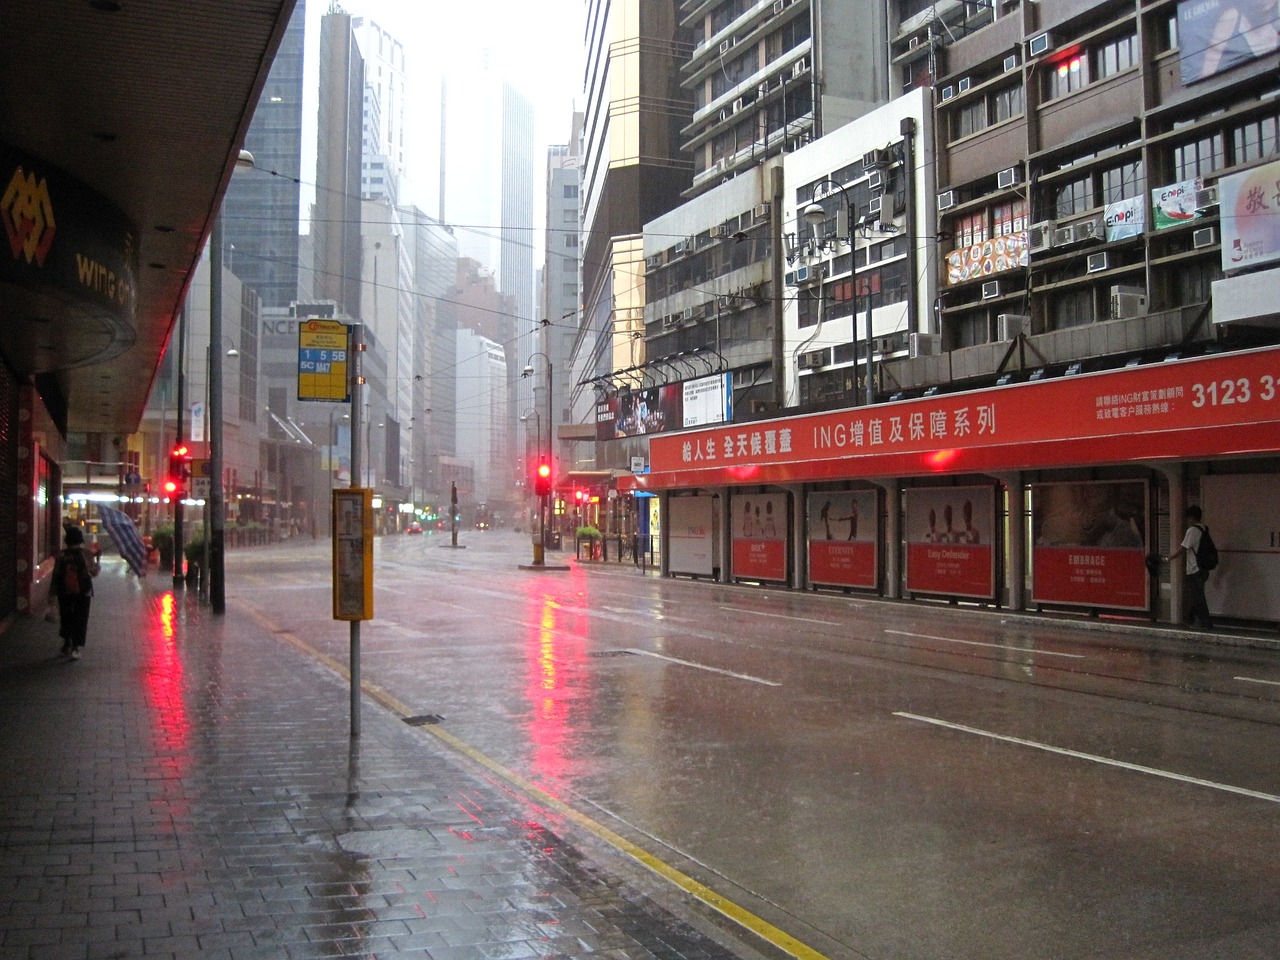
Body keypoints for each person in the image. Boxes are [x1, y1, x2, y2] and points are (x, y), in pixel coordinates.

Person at [52, 525, 100, 659]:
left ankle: (66, 644)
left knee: (66, 616)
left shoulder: (61, 554)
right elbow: (94, 572)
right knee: (81, 618)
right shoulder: (86, 554)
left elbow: (56, 575)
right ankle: (76, 648)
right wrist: (97, 560)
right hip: (83, 592)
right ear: (80, 539)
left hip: (64, 591)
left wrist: (52, 593)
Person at [1167, 505, 1213, 630]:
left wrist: (1169, 558)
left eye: (1188, 517)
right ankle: (1190, 617)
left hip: (1195, 569)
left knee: (1197, 597)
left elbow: (1183, 548)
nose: (1187, 520)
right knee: (1196, 595)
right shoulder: (1204, 528)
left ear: (1192, 517)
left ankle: (1205, 622)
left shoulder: (1192, 530)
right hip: (1203, 569)